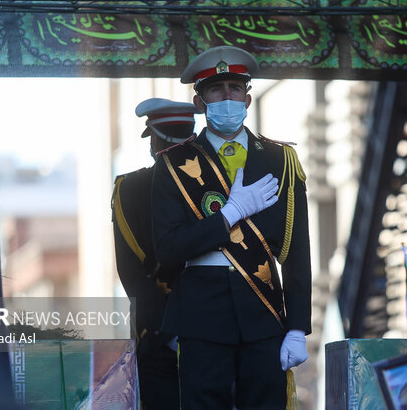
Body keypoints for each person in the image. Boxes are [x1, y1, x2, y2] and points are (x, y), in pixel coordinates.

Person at [151, 46, 312, 409]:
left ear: (248, 98)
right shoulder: (174, 163)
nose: (227, 97)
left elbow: (298, 251)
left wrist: (299, 325)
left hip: (263, 311)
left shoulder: (281, 159)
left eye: (235, 89)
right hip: (201, 313)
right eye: (216, 90)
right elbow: (168, 248)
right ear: (199, 100)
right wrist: (229, 214)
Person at [111, 98, 202, 410]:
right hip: (213, 329)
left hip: (157, 333)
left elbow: (130, 273)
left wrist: (160, 328)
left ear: (156, 140)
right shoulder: (216, 184)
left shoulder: (130, 188)